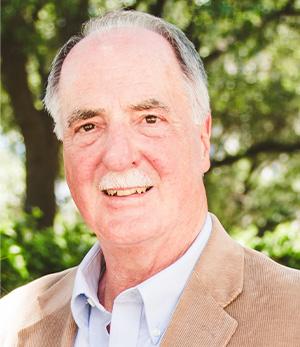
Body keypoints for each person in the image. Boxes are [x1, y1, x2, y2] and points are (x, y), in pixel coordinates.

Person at [1, 10, 299, 347]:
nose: (117, 155)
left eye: (150, 119)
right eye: (88, 126)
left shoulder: (293, 315)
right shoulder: (10, 324)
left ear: (203, 140)